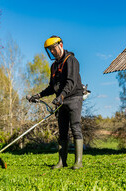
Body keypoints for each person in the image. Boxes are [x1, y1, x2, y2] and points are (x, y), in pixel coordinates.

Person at [29, 36, 84, 169]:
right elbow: (52, 87)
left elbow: (71, 82)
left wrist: (61, 96)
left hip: (73, 98)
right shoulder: (54, 66)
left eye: (53, 48)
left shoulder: (71, 60)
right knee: (62, 131)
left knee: (75, 128)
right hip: (61, 101)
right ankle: (62, 162)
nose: (52, 52)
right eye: (50, 50)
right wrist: (39, 95)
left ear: (60, 45)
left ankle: (78, 162)